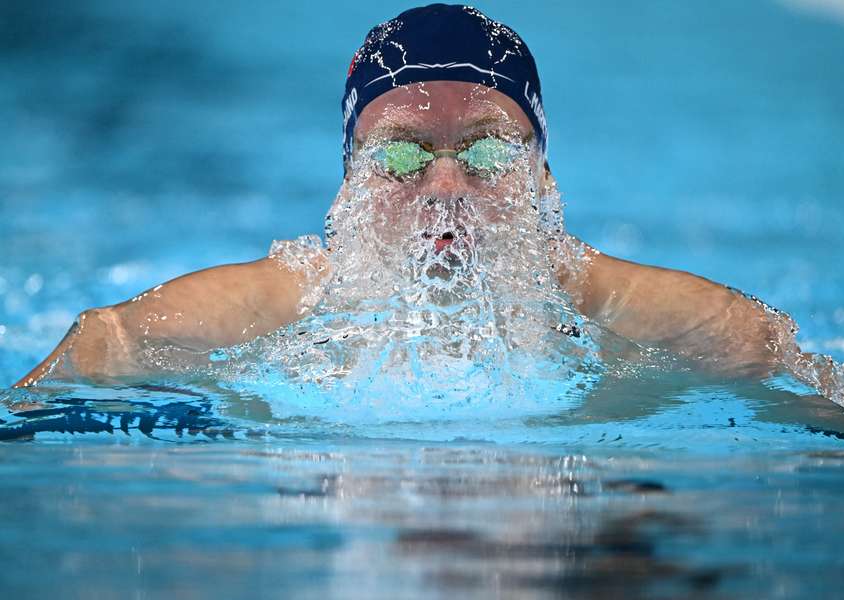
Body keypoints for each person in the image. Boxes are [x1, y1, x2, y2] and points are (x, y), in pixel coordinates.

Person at [14, 4, 783, 389]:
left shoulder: (683, 330)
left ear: (544, 181)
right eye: (402, 155)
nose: (444, 187)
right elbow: (83, 363)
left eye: (486, 151)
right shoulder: (248, 318)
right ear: (347, 187)